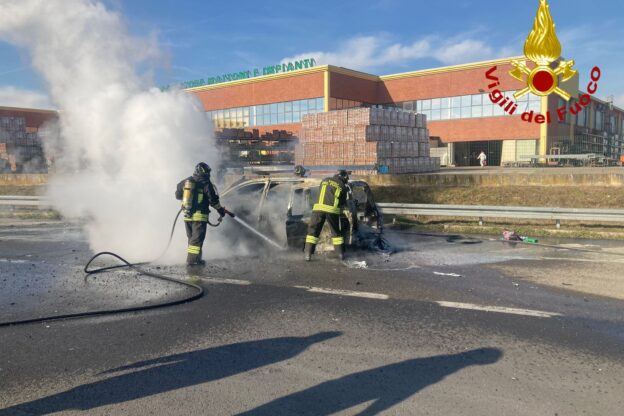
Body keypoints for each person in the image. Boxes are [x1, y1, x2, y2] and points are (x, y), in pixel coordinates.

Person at [175, 162, 227, 266]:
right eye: (207, 172)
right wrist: (220, 210)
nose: (208, 174)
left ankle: (197, 259)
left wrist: (187, 200)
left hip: (187, 216)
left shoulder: (186, 181)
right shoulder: (206, 184)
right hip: (199, 217)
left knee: (192, 239)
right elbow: (213, 200)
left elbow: (177, 195)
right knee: (196, 241)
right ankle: (191, 262)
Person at [304, 170, 350, 261]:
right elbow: (342, 203)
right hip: (332, 210)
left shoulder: (325, 180)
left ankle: (308, 254)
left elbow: (322, 193)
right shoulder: (342, 187)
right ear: (344, 178)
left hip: (318, 209)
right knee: (336, 232)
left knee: (313, 231)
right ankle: (340, 254)